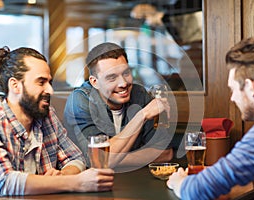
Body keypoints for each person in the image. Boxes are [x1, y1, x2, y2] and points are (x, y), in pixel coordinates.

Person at [0, 46, 114, 199]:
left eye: (49, 82)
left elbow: (76, 158)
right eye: (41, 82)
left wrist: (63, 174)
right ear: (15, 85)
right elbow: (4, 182)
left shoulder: (47, 115)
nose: (50, 90)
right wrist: (76, 182)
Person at [167, 37, 254, 199]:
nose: (232, 98)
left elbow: (196, 191)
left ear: (249, 87)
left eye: (233, 90)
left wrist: (178, 181)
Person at [63, 42, 174, 170]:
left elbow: (165, 153)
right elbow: (100, 161)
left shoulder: (139, 94)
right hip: (89, 184)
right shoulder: (80, 100)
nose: (123, 83)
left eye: (126, 73)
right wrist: (141, 116)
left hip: (132, 182)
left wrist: (114, 157)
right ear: (95, 82)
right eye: (112, 78)